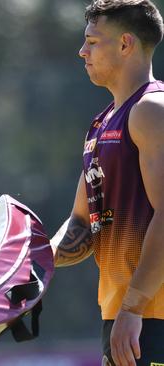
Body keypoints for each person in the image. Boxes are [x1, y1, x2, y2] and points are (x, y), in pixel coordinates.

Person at [51, 1, 164, 365]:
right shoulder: (101, 124)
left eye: (92, 41)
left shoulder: (151, 110)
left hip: (150, 315)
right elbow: (81, 225)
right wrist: (23, 262)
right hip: (122, 316)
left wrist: (134, 306)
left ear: (125, 44)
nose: (81, 51)